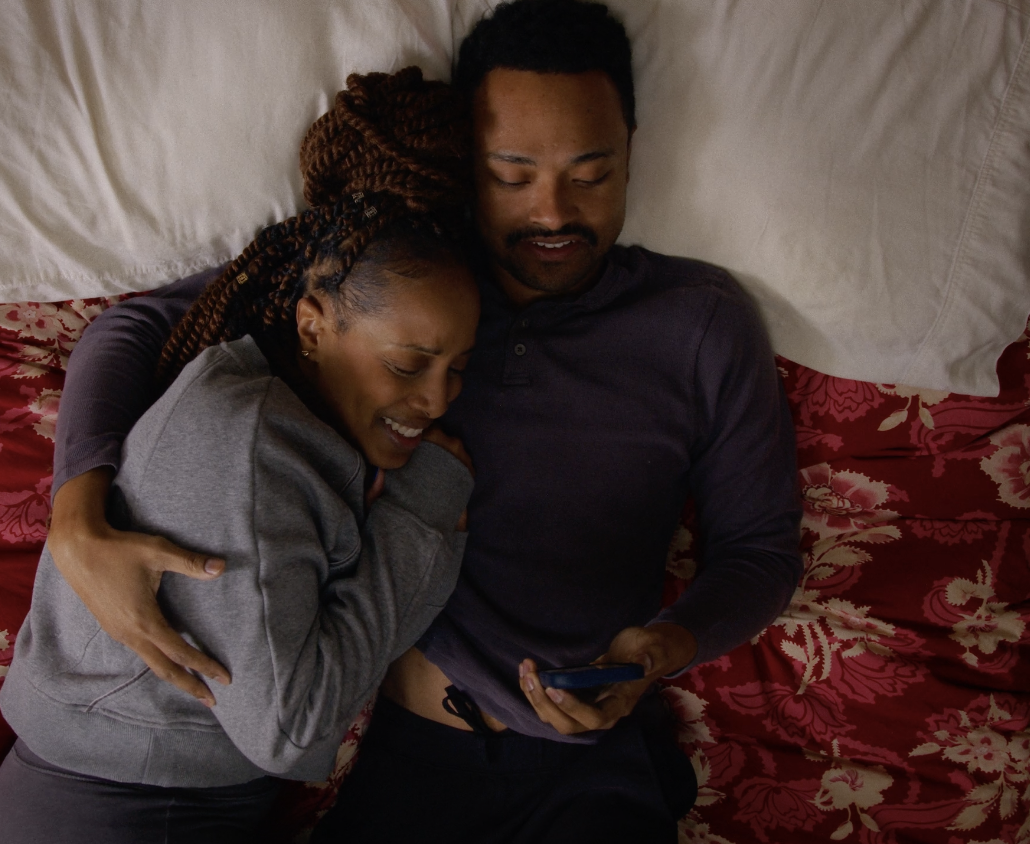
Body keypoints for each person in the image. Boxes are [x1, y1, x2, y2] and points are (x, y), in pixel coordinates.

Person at [45, 1, 803, 841]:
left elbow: (761, 549)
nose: (552, 214)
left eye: (592, 174)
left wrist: (667, 646)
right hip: (405, 763)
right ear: (469, 166)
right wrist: (77, 514)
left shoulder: (699, 322)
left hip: (587, 765)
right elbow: (132, 329)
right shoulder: (403, 289)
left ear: (632, 153)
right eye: (513, 175)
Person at [0, 68, 480, 843]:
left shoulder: (283, 363)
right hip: (123, 803)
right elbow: (287, 724)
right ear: (314, 321)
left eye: (460, 370)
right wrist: (420, 513)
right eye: (411, 365)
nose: (442, 398)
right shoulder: (253, 441)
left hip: (147, 788)